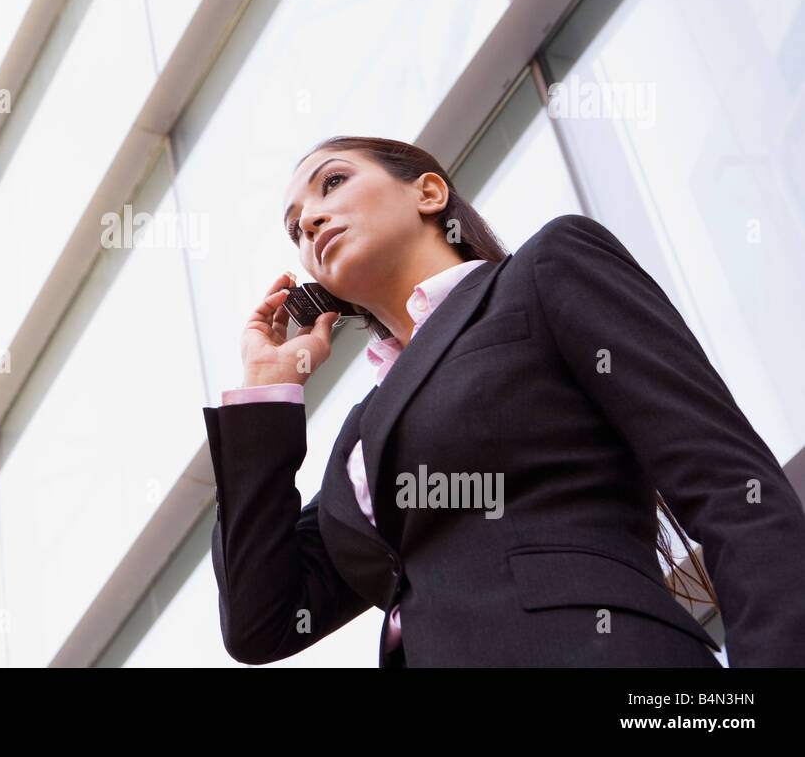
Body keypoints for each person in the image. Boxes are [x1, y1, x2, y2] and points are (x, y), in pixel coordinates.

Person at [202, 135, 805, 667]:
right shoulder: (358, 444)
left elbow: (732, 489)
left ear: (429, 193)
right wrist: (264, 390)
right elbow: (260, 621)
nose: (309, 220)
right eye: (293, 224)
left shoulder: (544, 272)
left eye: (333, 182)